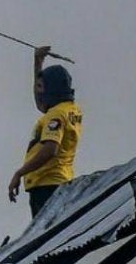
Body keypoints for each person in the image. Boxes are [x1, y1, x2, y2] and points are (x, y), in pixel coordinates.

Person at [8, 46, 83, 218]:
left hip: (47, 185)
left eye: (43, 86)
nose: (40, 91)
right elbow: (40, 102)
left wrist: (20, 172)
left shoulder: (56, 115)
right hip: (58, 181)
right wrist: (38, 63)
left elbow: (50, 149)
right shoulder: (70, 109)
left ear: (52, 87)